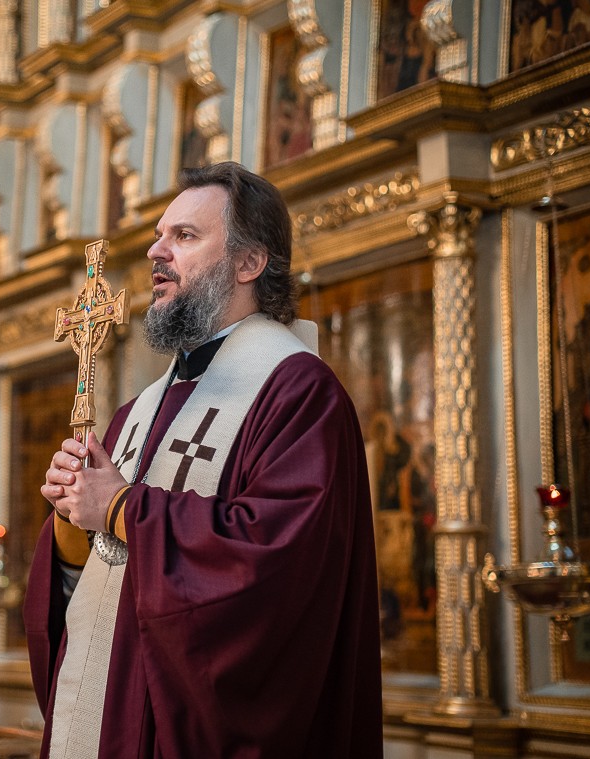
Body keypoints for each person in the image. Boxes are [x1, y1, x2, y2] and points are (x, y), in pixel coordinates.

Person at [25, 162, 382, 758]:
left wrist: (117, 505)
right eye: (159, 235)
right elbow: (99, 570)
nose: (155, 251)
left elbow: (275, 565)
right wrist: (70, 520)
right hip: (115, 715)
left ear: (250, 263)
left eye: (184, 237)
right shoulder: (138, 410)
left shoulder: (297, 393)